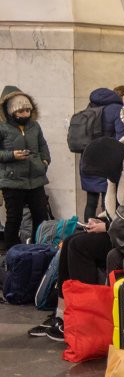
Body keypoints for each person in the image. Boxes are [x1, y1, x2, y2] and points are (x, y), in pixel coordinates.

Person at [27, 135, 124, 341]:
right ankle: (64, 315)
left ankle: (88, 316)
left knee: (79, 246)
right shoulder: (123, 167)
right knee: (70, 242)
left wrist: (107, 226)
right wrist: (102, 220)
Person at [0, 85, 50, 252]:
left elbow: (43, 145)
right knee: (14, 219)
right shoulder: (2, 127)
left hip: (36, 180)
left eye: (28, 110)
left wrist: (45, 162)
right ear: (10, 111)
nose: (25, 114)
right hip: (12, 181)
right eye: (21, 111)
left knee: (41, 217)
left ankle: (39, 250)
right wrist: (12, 155)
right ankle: (11, 254)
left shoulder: (35, 126)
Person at [79, 87, 124, 221]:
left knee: (91, 202)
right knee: (108, 203)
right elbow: (123, 138)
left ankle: (88, 230)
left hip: (87, 160)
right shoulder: (118, 109)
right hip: (107, 162)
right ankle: (106, 230)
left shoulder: (89, 108)